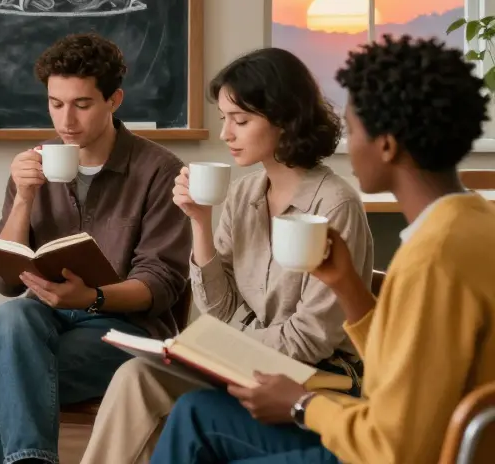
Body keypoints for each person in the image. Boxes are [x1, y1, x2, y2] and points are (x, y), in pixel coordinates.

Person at [150, 35, 495, 464]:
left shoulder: (431, 258)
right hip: (386, 427)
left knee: (197, 425)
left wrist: (303, 405)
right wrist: (349, 285)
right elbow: (406, 367)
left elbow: (397, 446)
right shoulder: (474, 223)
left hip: (385, 448)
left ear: (386, 145)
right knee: (195, 414)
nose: (345, 145)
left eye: (352, 129)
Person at [80, 47, 374, 464]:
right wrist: (199, 222)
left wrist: (226, 352)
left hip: (320, 379)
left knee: (157, 383)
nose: (226, 134)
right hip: (253, 363)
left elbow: (310, 340)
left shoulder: (334, 204)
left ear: (285, 119)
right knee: (138, 375)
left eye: (241, 120)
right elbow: (220, 309)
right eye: (224, 120)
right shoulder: (244, 194)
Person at [0, 33, 192, 464]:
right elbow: (5, 281)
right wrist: (23, 198)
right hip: (47, 321)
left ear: (114, 100)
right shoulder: (33, 168)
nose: (66, 121)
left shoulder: (159, 170)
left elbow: (162, 285)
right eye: (56, 104)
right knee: (13, 313)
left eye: (82, 104)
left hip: (127, 331)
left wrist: (92, 297)